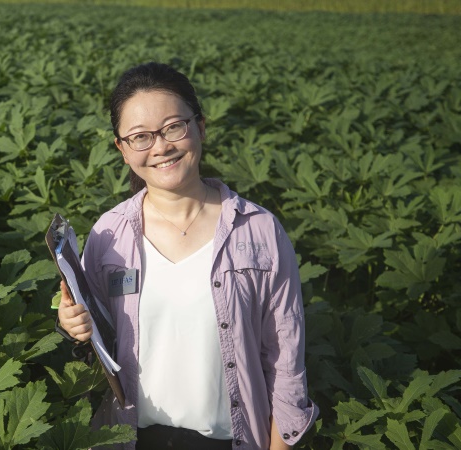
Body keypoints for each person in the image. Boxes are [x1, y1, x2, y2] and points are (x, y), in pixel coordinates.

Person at [56, 62, 318, 450]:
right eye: (140, 137)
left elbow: (285, 361)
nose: (160, 147)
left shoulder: (259, 230)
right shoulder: (108, 234)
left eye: (173, 127)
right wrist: (71, 325)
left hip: (230, 441)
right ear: (122, 149)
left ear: (200, 126)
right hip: (132, 438)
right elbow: (97, 344)